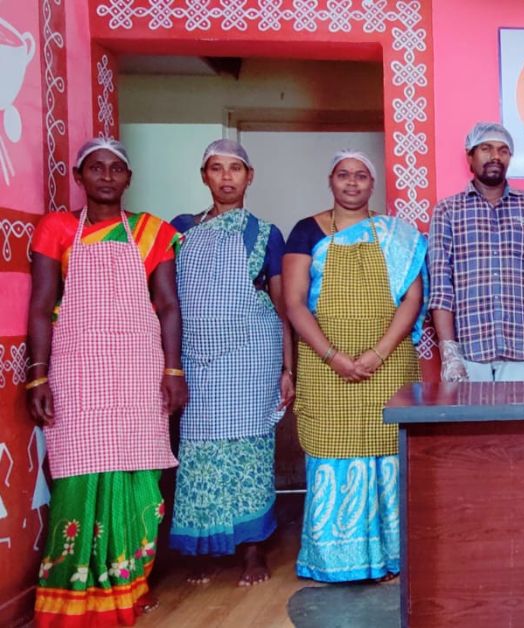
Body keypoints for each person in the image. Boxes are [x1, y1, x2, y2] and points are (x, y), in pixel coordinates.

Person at [27, 137, 185, 626]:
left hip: (138, 370)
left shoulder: (151, 232)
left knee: (140, 476)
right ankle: (71, 596)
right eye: (96, 168)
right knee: (78, 475)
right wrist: (37, 377)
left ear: (128, 179)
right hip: (77, 369)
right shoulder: (55, 228)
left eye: (116, 169)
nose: (106, 177)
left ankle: (129, 587)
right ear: (79, 177)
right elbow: (40, 306)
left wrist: (173, 370)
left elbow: (167, 305)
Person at [283, 150, 426, 583]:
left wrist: (378, 353)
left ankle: (389, 560)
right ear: (331, 180)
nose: (351, 183)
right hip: (327, 367)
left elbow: (413, 298)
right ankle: (335, 562)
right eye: (343, 175)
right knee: (334, 451)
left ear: (372, 183)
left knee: (387, 454)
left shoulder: (397, 235)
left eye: (361, 176)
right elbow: (292, 302)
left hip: (388, 362)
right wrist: (334, 357)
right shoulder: (305, 231)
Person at [168, 139, 293, 587]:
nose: (226, 177)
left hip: (250, 357)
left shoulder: (266, 233)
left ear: (249, 176)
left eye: (235, 168)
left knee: (250, 453)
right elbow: (166, 300)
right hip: (197, 357)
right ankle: (201, 548)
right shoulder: (178, 230)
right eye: (216, 168)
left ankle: (252, 551)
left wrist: (287, 369)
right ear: (204, 176)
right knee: (199, 453)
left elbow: (282, 308)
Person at [428, 122, 524, 382]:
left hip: (523, 351)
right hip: (470, 352)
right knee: (472, 424)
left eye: (503, 150)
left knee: (519, 424)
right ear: (470, 156)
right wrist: (450, 353)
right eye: (486, 148)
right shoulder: (448, 211)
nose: (495, 156)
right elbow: (441, 287)